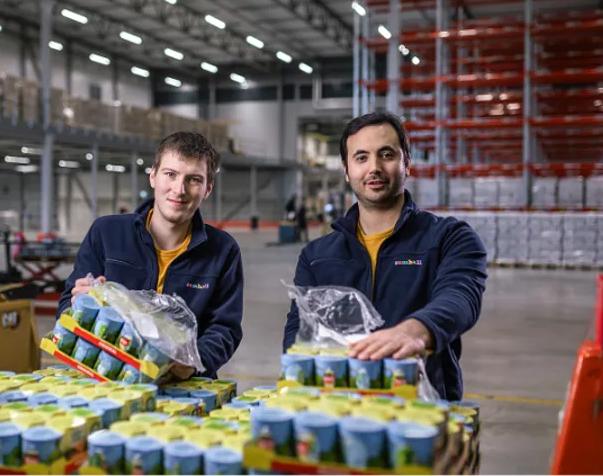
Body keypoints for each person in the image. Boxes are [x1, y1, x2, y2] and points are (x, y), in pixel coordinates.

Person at [282, 111, 488, 401]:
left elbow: (460, 298)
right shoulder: (316, 255)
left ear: (407, 162)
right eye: (361, 157)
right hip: (337, 404)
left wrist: (415, 331)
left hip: (421, 406)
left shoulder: (449, 238)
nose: (374, 168)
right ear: (346, 169)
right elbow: (298, 331)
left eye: (387, 155)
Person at [59, 131, 244, 380]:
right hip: (106, 380)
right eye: (170, 175)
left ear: (207, 189)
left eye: (194, 180)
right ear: (153, 176)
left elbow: (225, 329)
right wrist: (80, 305)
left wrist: (191, 362)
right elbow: (65, 310)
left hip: (184, 387)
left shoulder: (223, 251)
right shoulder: (107, 233)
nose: (179, 190)